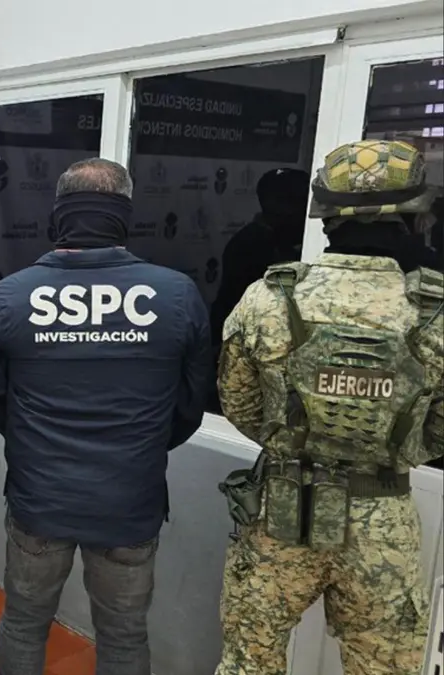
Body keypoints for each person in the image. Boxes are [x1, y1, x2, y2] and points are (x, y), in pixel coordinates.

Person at [215, 139, 444, 675]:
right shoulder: (436, 308)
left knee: (249, 661)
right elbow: (440, 430)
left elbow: (239, 403)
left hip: (282, 513)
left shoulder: (270, 297)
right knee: (383, 667)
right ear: (416, 215)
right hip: (383, 521)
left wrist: (289, 442)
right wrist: (393, 452)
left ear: (325, 216)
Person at [0, 158, 213, 675]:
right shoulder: (176, 294)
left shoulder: (11, 295)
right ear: (123, 215)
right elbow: (190, 407)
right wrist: (142, 446)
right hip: (129, 500)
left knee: (23, 624)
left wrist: (34, 443)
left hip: (40, 498)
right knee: (124, 637)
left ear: (60, 213)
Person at [208, 168, 311, 412]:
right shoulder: (253, 243)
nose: (298, 211)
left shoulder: (285, 240)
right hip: (247, 342)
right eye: (292, 202)